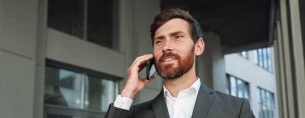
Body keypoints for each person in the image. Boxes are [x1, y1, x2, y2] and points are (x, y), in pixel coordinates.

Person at [104, 8, 255, 118]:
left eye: (177, 37)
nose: (166, 46)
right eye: (159, 41)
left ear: (198, 46)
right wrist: (127, 92)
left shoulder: (236, 109)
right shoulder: (134, 114)